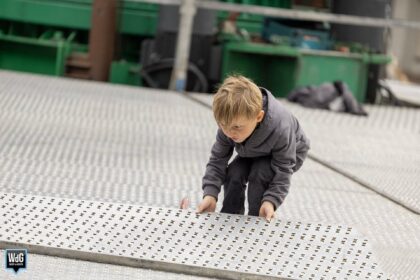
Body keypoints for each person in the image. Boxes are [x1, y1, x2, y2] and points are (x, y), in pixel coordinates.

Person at [196, 75, 310, 221]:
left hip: (290, 153)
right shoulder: (230, 124)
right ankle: (230, 216)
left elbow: (283, 170)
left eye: (236, 127)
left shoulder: (281, 129)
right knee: (235, 172)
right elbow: (217, 160)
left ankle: (257, 218)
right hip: (253, 147)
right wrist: (210, 194)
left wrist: (271, 201)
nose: (230, 133)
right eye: (222, 125)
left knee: (260, 173)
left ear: (259, 117)